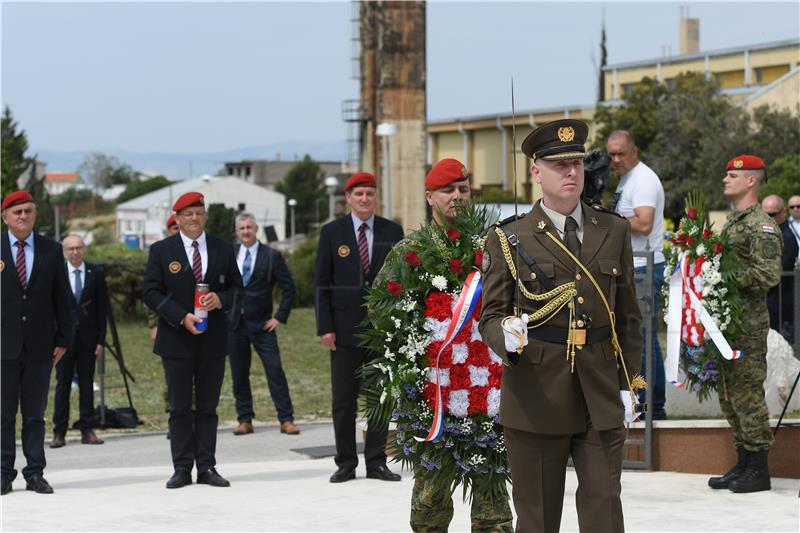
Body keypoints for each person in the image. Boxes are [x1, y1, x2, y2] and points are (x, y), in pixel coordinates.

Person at [479, 119, 643, 532]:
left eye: (577, 163)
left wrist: (630, 384)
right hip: (537, 391)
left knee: (604, 511)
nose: (571, 172)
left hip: (600, 391)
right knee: (537, 516)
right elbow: (491, 315)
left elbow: (628, 317)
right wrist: (508, 338)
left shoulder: (615, 229)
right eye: (558, 165)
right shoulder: (508, 237)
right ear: (536, 171)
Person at [370, 159, 513, 532]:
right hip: (432, 394)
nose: (457, 197)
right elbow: (380, 310)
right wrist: (418, 337)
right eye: (448, 190)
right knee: (430, 502)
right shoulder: (410, 252)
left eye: (463, 189)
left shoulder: (493, 247)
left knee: (493, 504)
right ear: (429, 196)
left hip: (486, 388)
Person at [143, 192, 242, 489]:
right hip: (177, 339)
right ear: (177, 219)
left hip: (212, 339)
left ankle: (207, 466)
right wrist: (180, 316)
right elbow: (150, 291)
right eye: (187, 214)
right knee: (180, 407)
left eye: (198, 212)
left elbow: (238, 289)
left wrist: (220, 299)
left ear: (205, 215)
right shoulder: (162, 250)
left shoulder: (223, 249)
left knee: (208, 407)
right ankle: (182, 467)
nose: (194, 219)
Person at [314, 172, 404, 483]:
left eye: (369, 193)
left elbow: (401, 278)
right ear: (348, 199)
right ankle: (346, 463)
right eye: (358, 194)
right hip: (343, 330)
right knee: (343, 400)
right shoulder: (332, 233)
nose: (364, 199)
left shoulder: (393, 231)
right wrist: (325, 326)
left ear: (376, 197)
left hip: (381, 331)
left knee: (380, 399)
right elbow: (322, 283)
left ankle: (377, 462)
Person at [708, 155, 782, 494]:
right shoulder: (734, 222)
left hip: (748, 325)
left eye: (733, 174)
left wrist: (724, 279)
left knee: (748, 396)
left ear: (751, 181)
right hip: (729, 323)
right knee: (730, 397)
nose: (726, 179)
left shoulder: (760, 224)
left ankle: (759, 470)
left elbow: (768, 274)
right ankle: (743, 463)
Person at [1, 190, 75, 495]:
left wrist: (64, 340)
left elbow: (63, 299)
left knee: (34, 414)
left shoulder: (50, 249)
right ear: (4, 217)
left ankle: (34, 472)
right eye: (16, 212)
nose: (22, 216)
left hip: (40, 347)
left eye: (28, 211)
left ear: (35, 215)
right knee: (3, 414)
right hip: (3, 346)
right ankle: (4, 472)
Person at [607, 130, 667, 420]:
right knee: (635, 336)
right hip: (634, 267)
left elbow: (644, 223)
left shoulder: (642, 179)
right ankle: (641, 403)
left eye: (620, 153)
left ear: (635, 151)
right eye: (611, 155)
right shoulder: (627, 179)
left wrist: (608, 222)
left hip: (646, 267)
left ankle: (653, 406)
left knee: (644, 338)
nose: (615, 159)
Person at [228, 212, 299, 436]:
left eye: (249, 227)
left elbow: (289, 289)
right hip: (235, 325)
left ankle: (286, 419)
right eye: (242, 228)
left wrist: (279, 317)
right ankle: (245, 419)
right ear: (237, 231)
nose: (246, 232)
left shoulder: (271, 256)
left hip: (263, 325)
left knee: (275, 371)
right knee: (239, 374)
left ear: (256, 229)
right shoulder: (229, 255)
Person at [51, 234, 107, 448]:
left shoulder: (96, 273)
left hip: (88, 339)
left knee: (86, 384)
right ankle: (59, 431)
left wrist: (101, 339)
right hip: (63, 340)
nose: (75, 252)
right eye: (70, 249)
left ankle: (87, 429)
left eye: (78, 248)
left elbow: (102, 309)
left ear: (84, 249)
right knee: (63, 384)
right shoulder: (58, 272)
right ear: (64, 251)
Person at [762, 194, 797, 343]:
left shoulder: (787, 237)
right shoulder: (768, 234)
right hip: (768, 307)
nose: (768, 218)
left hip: (781, 309)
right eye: (765, 214)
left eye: (772, 214)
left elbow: (778, 271)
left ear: (783, 212)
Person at [787, 195, 800, 265]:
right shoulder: (786, 225)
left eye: (798, 206)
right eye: (792, 207)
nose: (795, 209)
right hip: (794, 266)